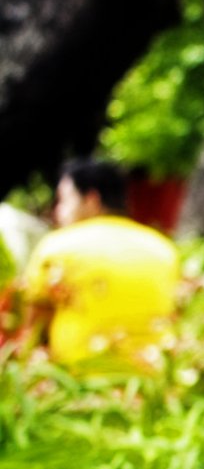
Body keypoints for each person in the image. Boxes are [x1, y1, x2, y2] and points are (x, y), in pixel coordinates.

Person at [18, 159, 180, 372]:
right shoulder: (163, 249)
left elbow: (31, 333)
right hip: (150, 383)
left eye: (63, 201)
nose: (58, 212)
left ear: (92, 200)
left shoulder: (57, 247)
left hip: (73, 384)